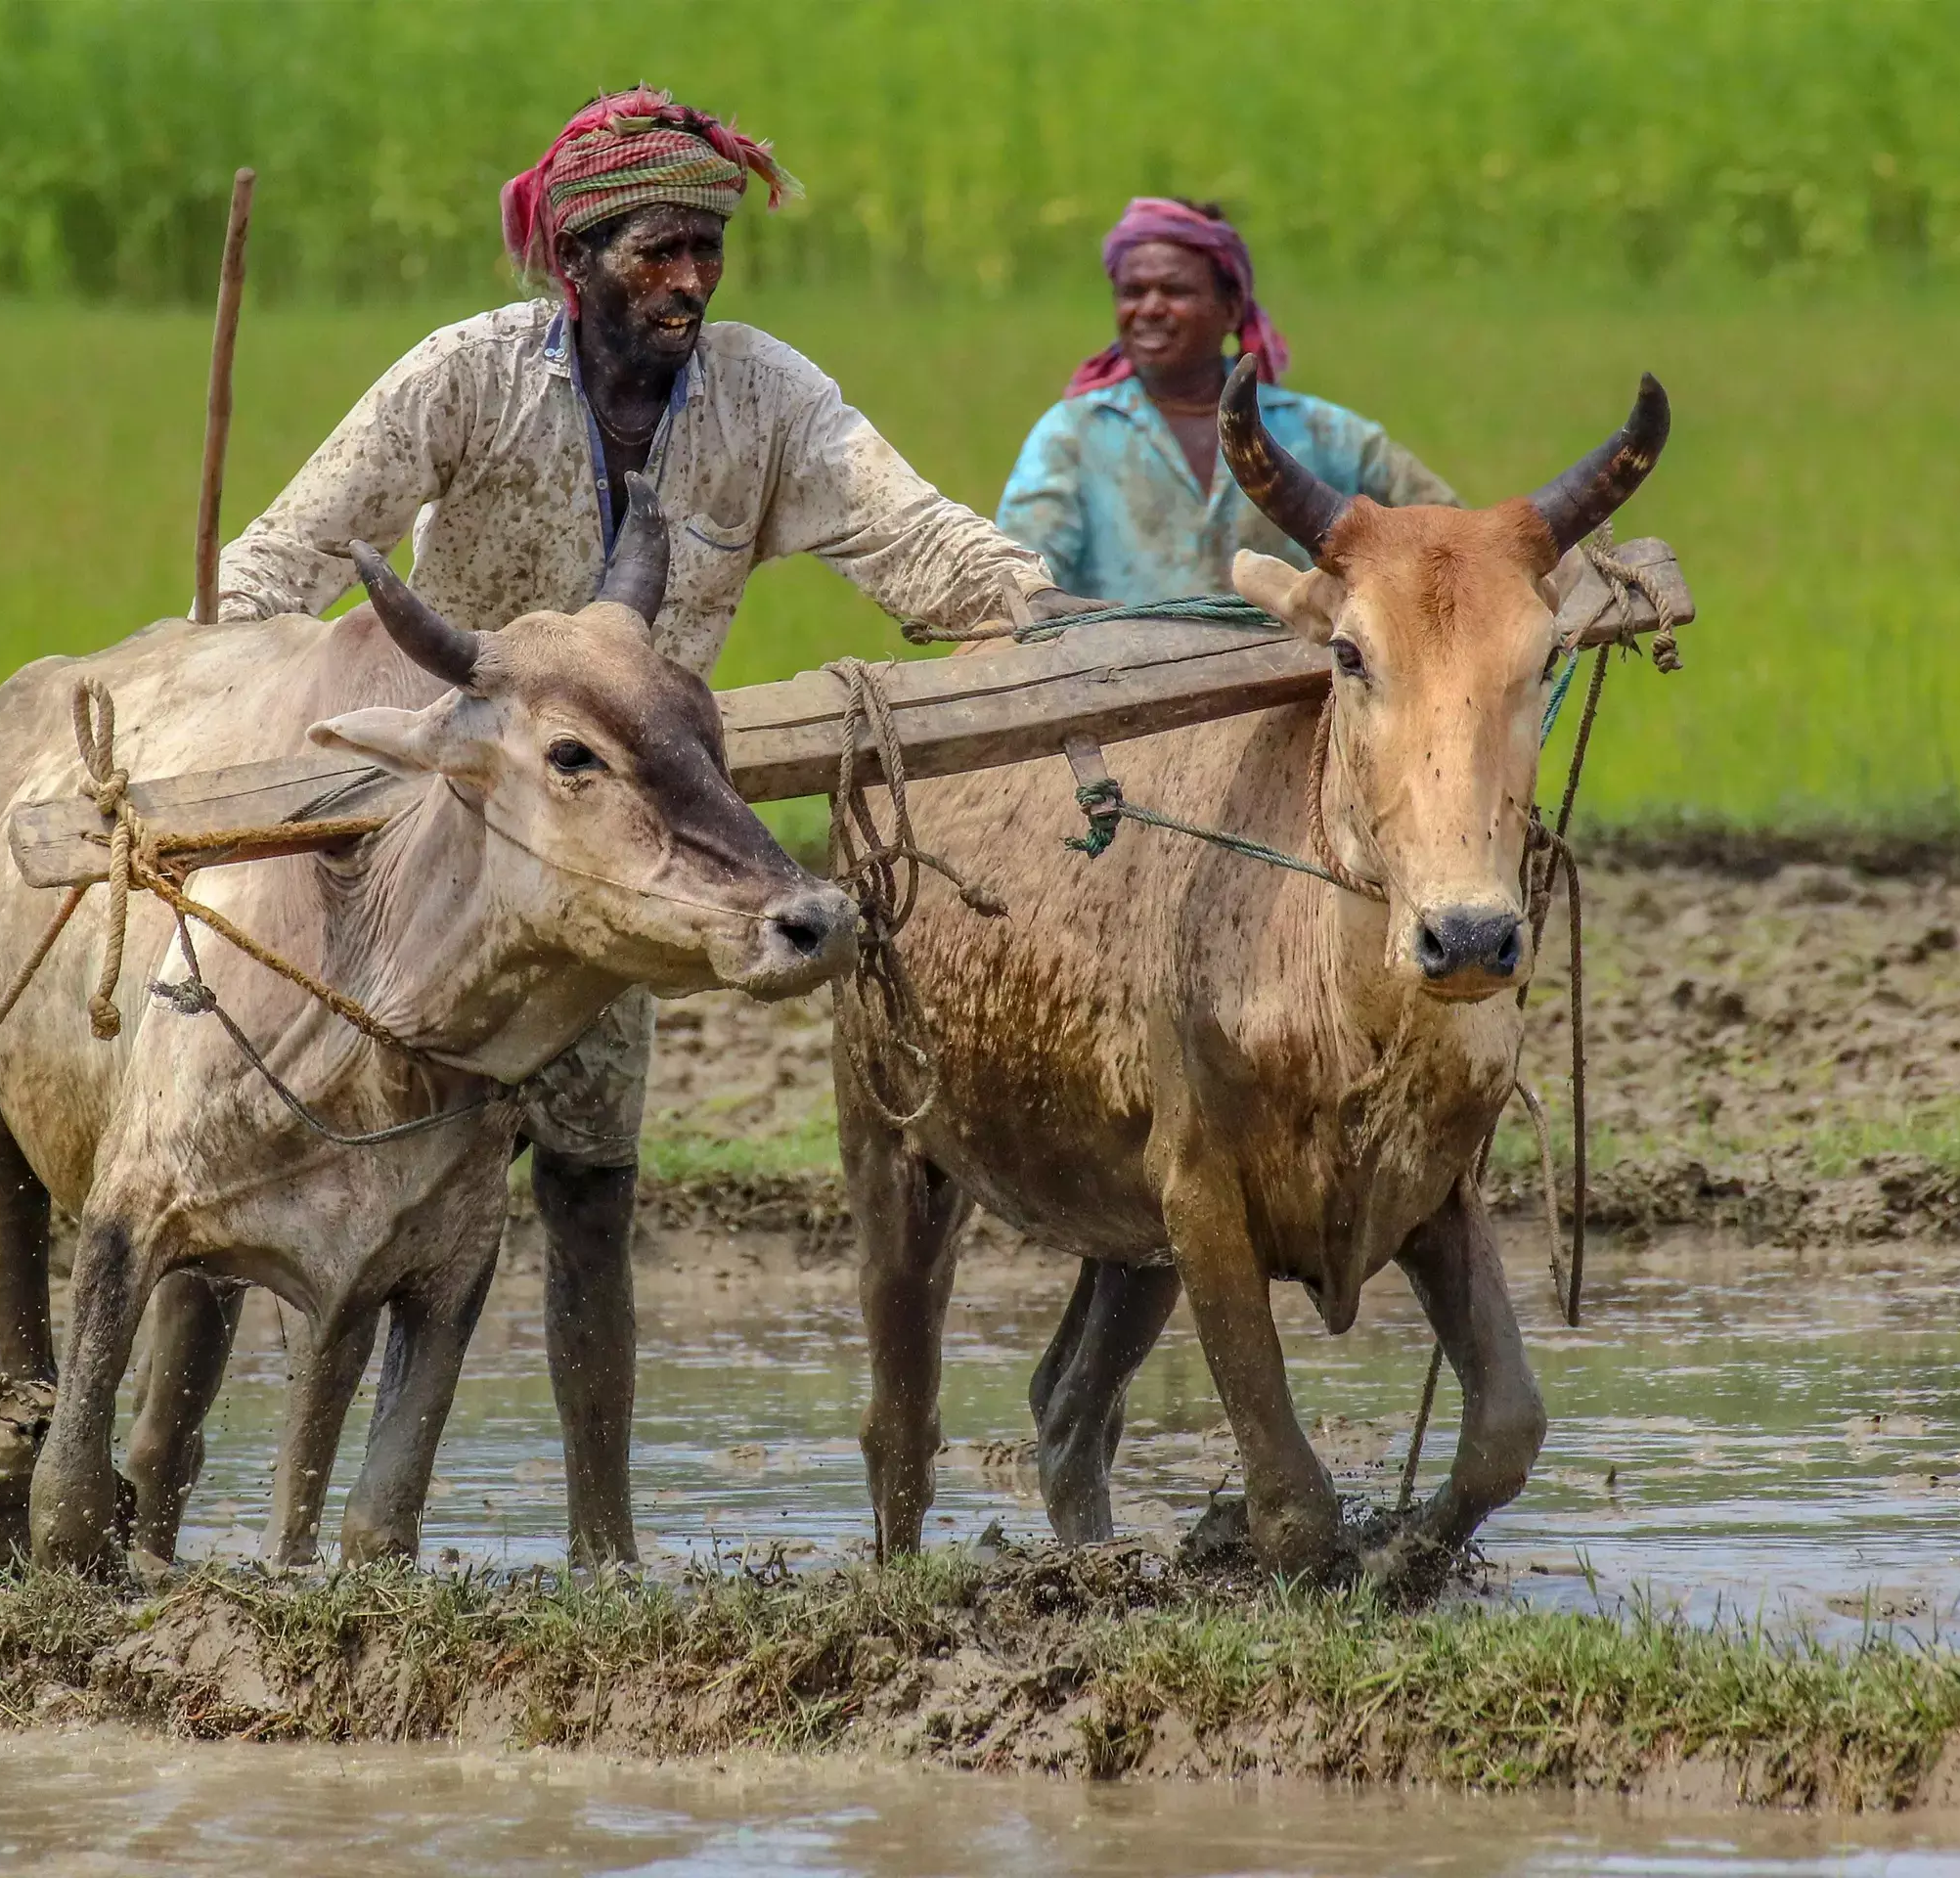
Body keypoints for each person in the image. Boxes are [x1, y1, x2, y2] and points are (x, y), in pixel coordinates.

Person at [213, 88, 1091, 1561]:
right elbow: (284, 563)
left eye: (707, 250)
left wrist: (1057, 623)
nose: (688, 280)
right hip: (439, 832)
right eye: (654, 252)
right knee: (321, 1176)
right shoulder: (468, 382)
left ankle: (604, 1546)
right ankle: (209, 1491)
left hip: (618, 853)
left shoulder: (763, 401)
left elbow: (914, 538)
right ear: (575, 261)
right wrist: (214, 698)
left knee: (590, 1196)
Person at [997, 198, 1456, 602]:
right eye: (1132, 292)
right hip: (1122, 684)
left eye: (1175, 291)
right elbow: (1018, 579)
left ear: (1232, 309)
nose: (1149, 308)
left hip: (1298, 685)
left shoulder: (1323, 433)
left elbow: (1450, 534)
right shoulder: (1073, 435)